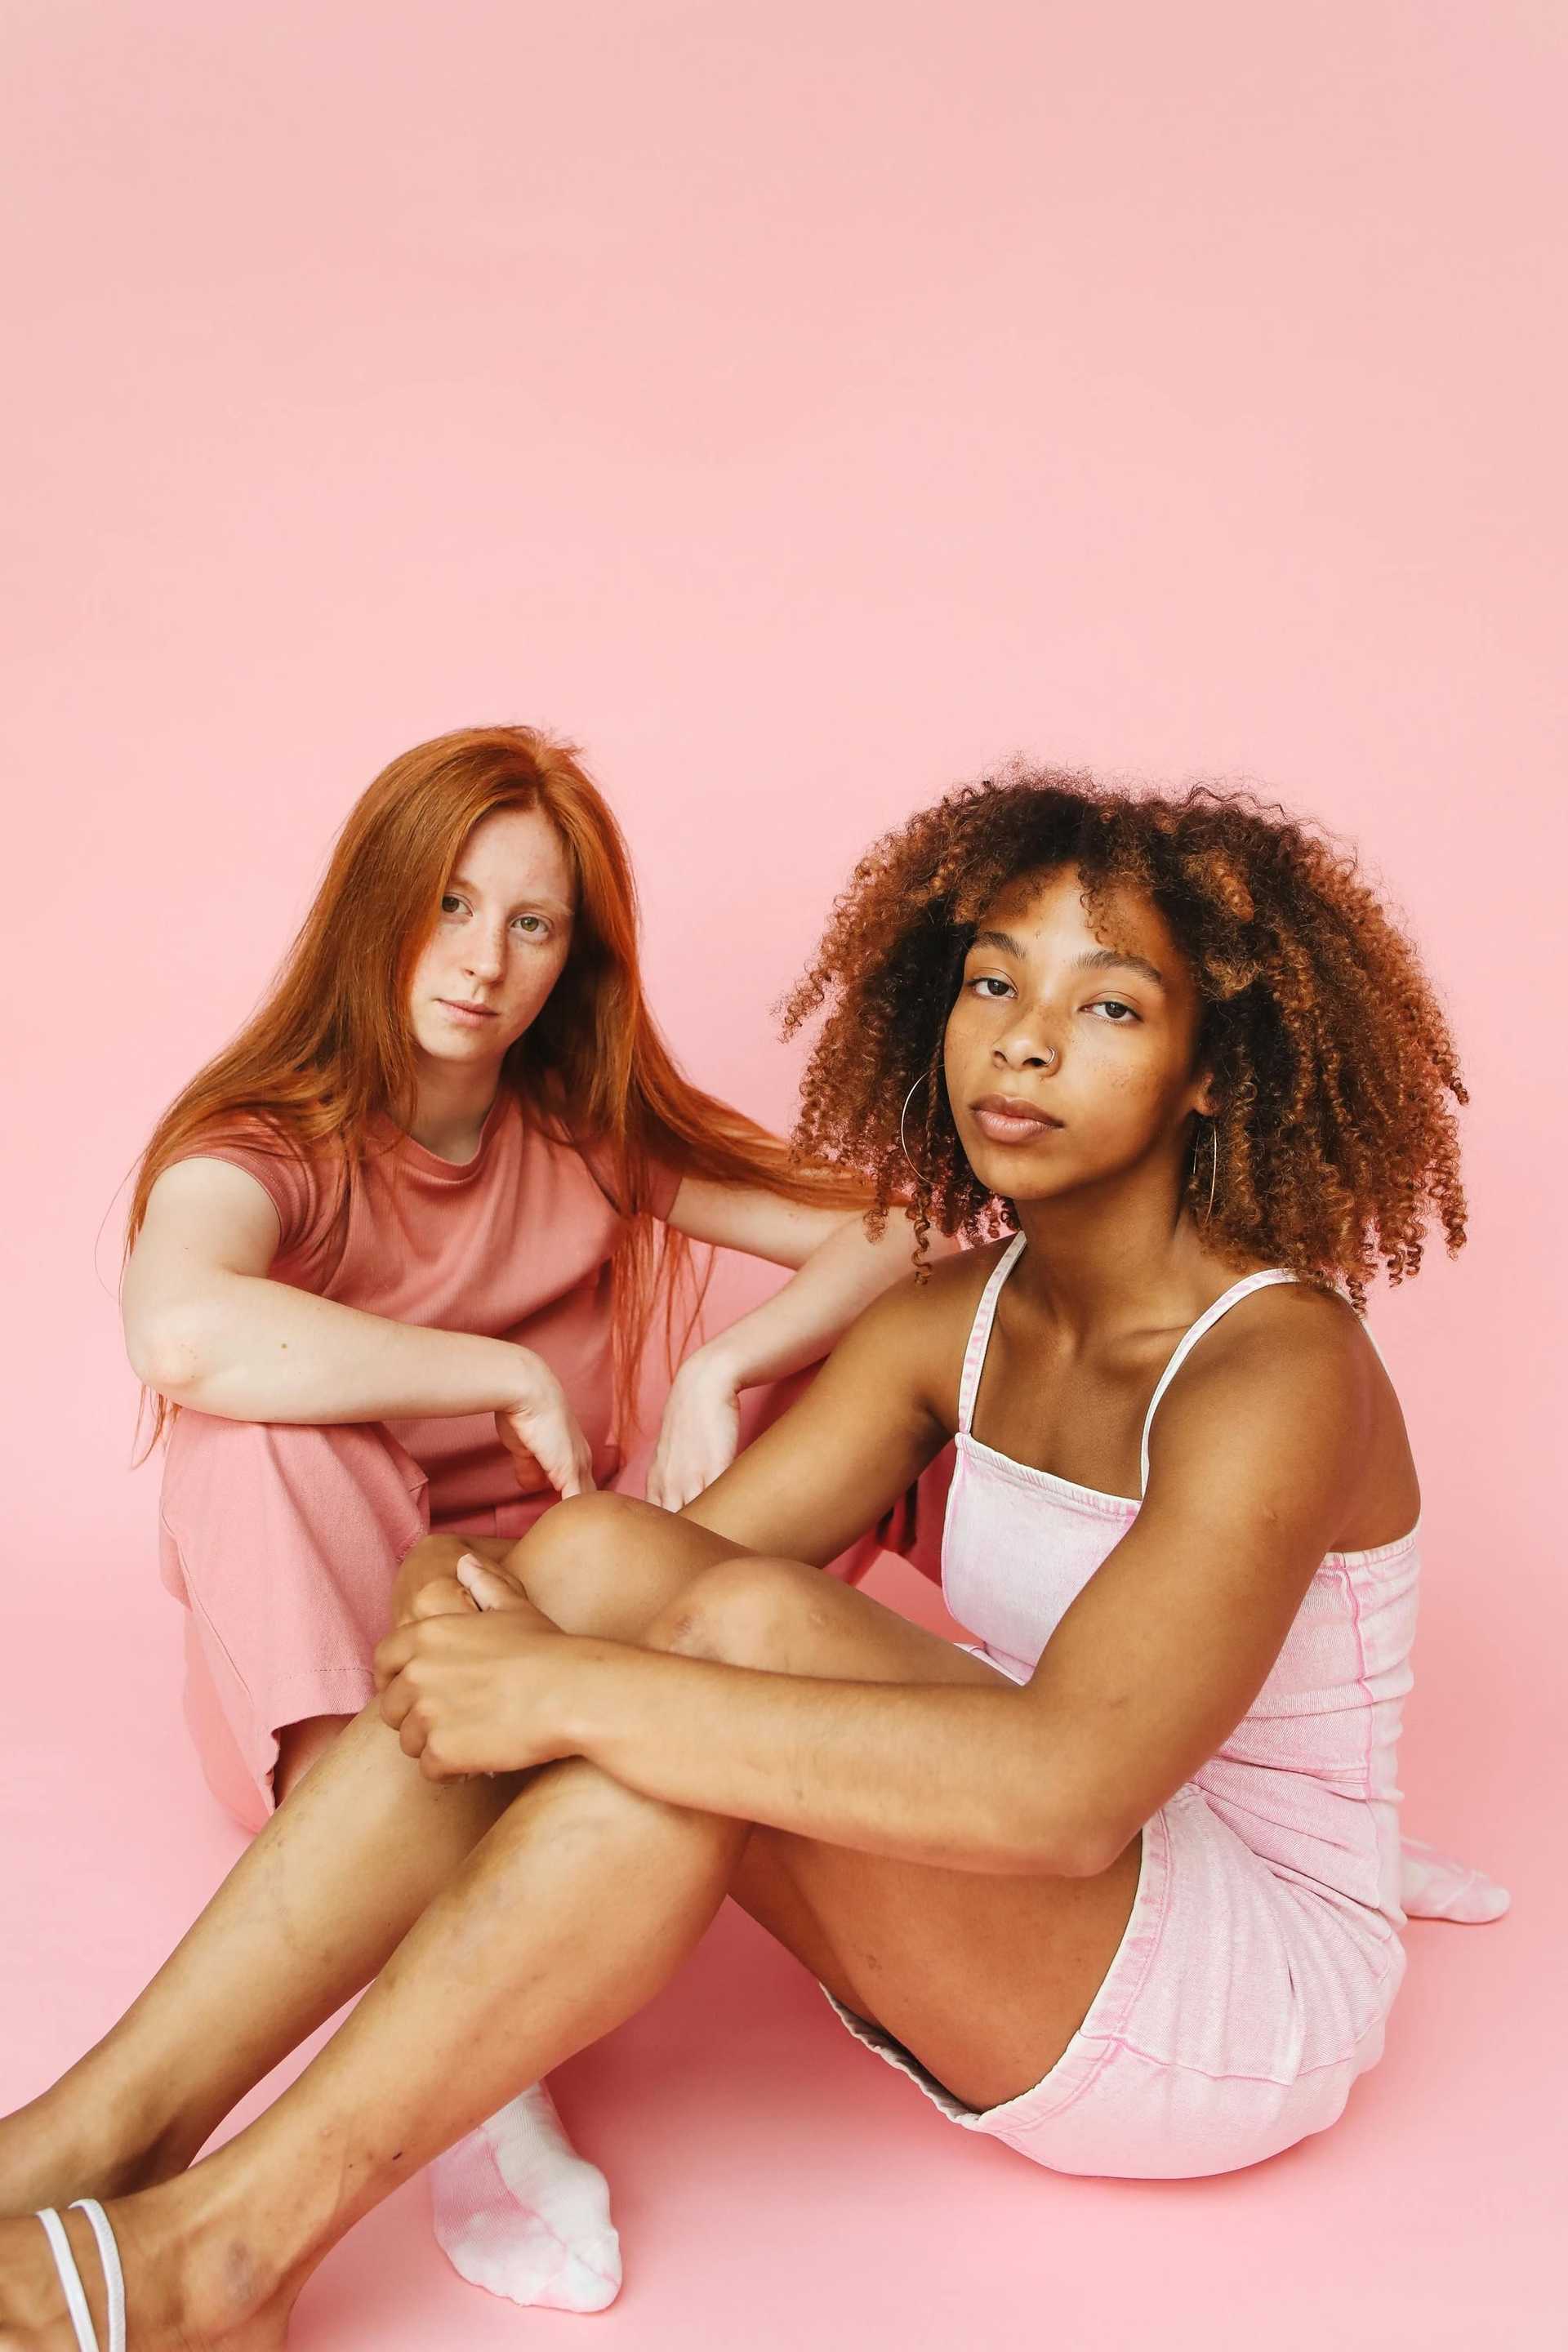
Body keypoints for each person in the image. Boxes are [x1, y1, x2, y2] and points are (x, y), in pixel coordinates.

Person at [2, 768, 1506, 2350]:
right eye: (994, 983)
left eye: (1112, 1007)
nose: (1026, 1041)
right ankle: (94, 2138)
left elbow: (1068, 1799)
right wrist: (479, 1603)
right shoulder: (950, 1322)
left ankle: (225, 2258)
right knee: (598, 1564)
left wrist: (558, 1689)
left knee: (707, 1658)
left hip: (1225, 1993)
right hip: (1006, 1892)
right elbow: (627, 1573)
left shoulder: (1280, 1369)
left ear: (1214, 1070)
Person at [114, 723, 947, 2310]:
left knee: (900, 1358)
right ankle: (461, 2064)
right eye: (448, 903)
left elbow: (910, 1230)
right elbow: (182, 1334)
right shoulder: (266, 1144)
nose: (483, 961)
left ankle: (1127, 1710)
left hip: (572, 1625)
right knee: (252, 1444)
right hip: (345, 1700)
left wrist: (726, 1369)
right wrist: (490, 1370)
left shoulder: (578, 1129)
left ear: (573, 957)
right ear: (374, 903)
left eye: (533, 923)